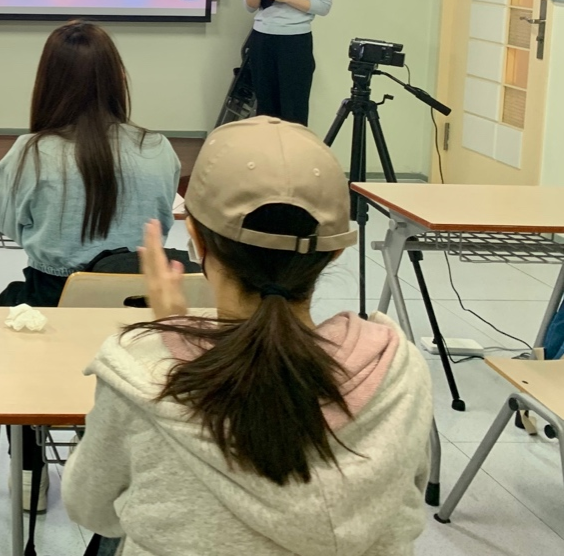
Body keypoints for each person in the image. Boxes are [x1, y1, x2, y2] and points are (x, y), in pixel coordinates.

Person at [63, 116, 433, 556]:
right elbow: (410, 491)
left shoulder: (139, 374)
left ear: (196, 239)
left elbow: (91, 508)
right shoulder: (398, 370)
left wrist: (170, 339)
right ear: (335, 250)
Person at [0, 21, 182, 309]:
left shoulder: (30, 152)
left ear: (47, 82)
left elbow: (10, 226)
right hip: (142, 303)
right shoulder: (158, 148)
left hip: (52, 302)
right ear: (118, 77)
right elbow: (163, 220)